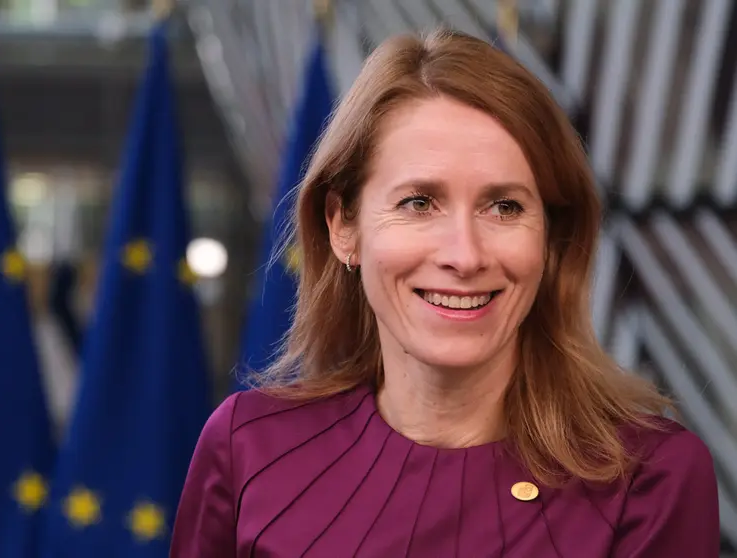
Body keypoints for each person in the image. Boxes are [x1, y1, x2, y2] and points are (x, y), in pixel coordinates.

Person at [169, 28, 720, 557]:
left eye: (505, 207)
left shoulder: (648, 481)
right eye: (419, 203)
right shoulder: (247, 449)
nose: (465, 254)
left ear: (552, 239)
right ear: (343, 227)